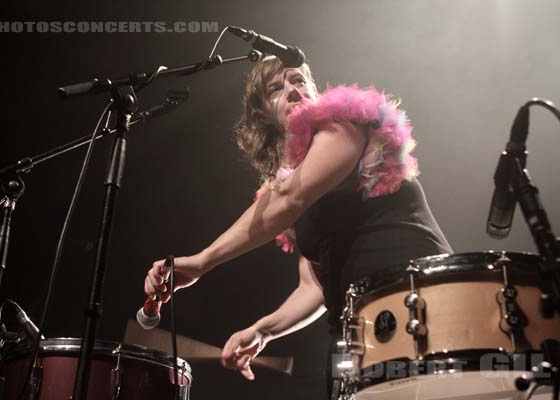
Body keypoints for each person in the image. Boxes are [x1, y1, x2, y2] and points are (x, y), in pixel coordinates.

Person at [144, 56, 452, 386]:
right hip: (357, 331)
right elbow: (313, 287)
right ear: (262, 113)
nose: (292, 90)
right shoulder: (289, 186)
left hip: (414, 297)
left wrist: (201, 262)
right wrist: (263, 329)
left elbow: (290, 198)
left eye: (299, 80)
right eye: (276, 88)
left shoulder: (343, 122)